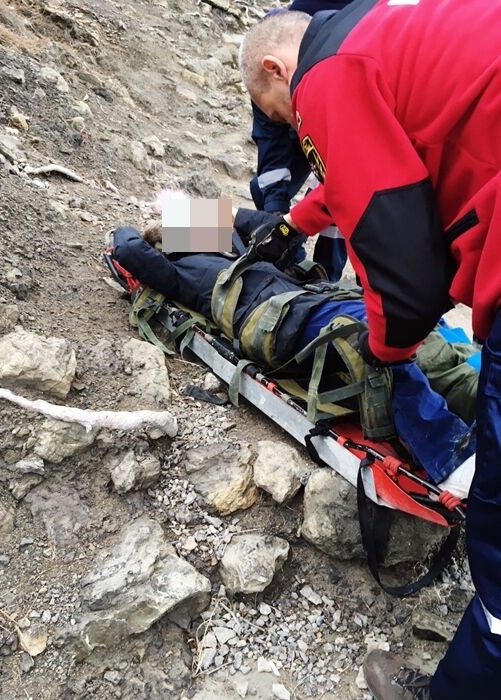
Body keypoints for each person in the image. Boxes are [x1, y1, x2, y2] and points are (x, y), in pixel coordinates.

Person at [237, 2, 501, 698]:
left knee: (429, 371)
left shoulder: (326, 77)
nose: (286, 127)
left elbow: (403, 273)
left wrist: (387, 346)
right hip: (317, 295)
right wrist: (277, 227)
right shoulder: (375, 32)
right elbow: (353, 176)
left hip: (353, 315)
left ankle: (463, 461)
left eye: (277, 113)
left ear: (277, 70)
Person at [109, 220, 477, 495]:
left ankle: (480, 397)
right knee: (387, 334)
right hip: (275, 320)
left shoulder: (233, 249)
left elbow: (265, 221)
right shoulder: (176, 274)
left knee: (417, 328)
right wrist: (139, 229)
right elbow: (128, 250)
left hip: (308, 303)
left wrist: (206, 218)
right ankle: (455, 454)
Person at [249, 1, 351, 281]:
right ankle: (291, 259)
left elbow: (344, 187)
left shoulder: (340, 67)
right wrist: (278, 218)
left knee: (342, 207)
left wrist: (294, 225)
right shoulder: (263, 68)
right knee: (264, 192)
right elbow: (270, 151)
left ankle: (326, 274)